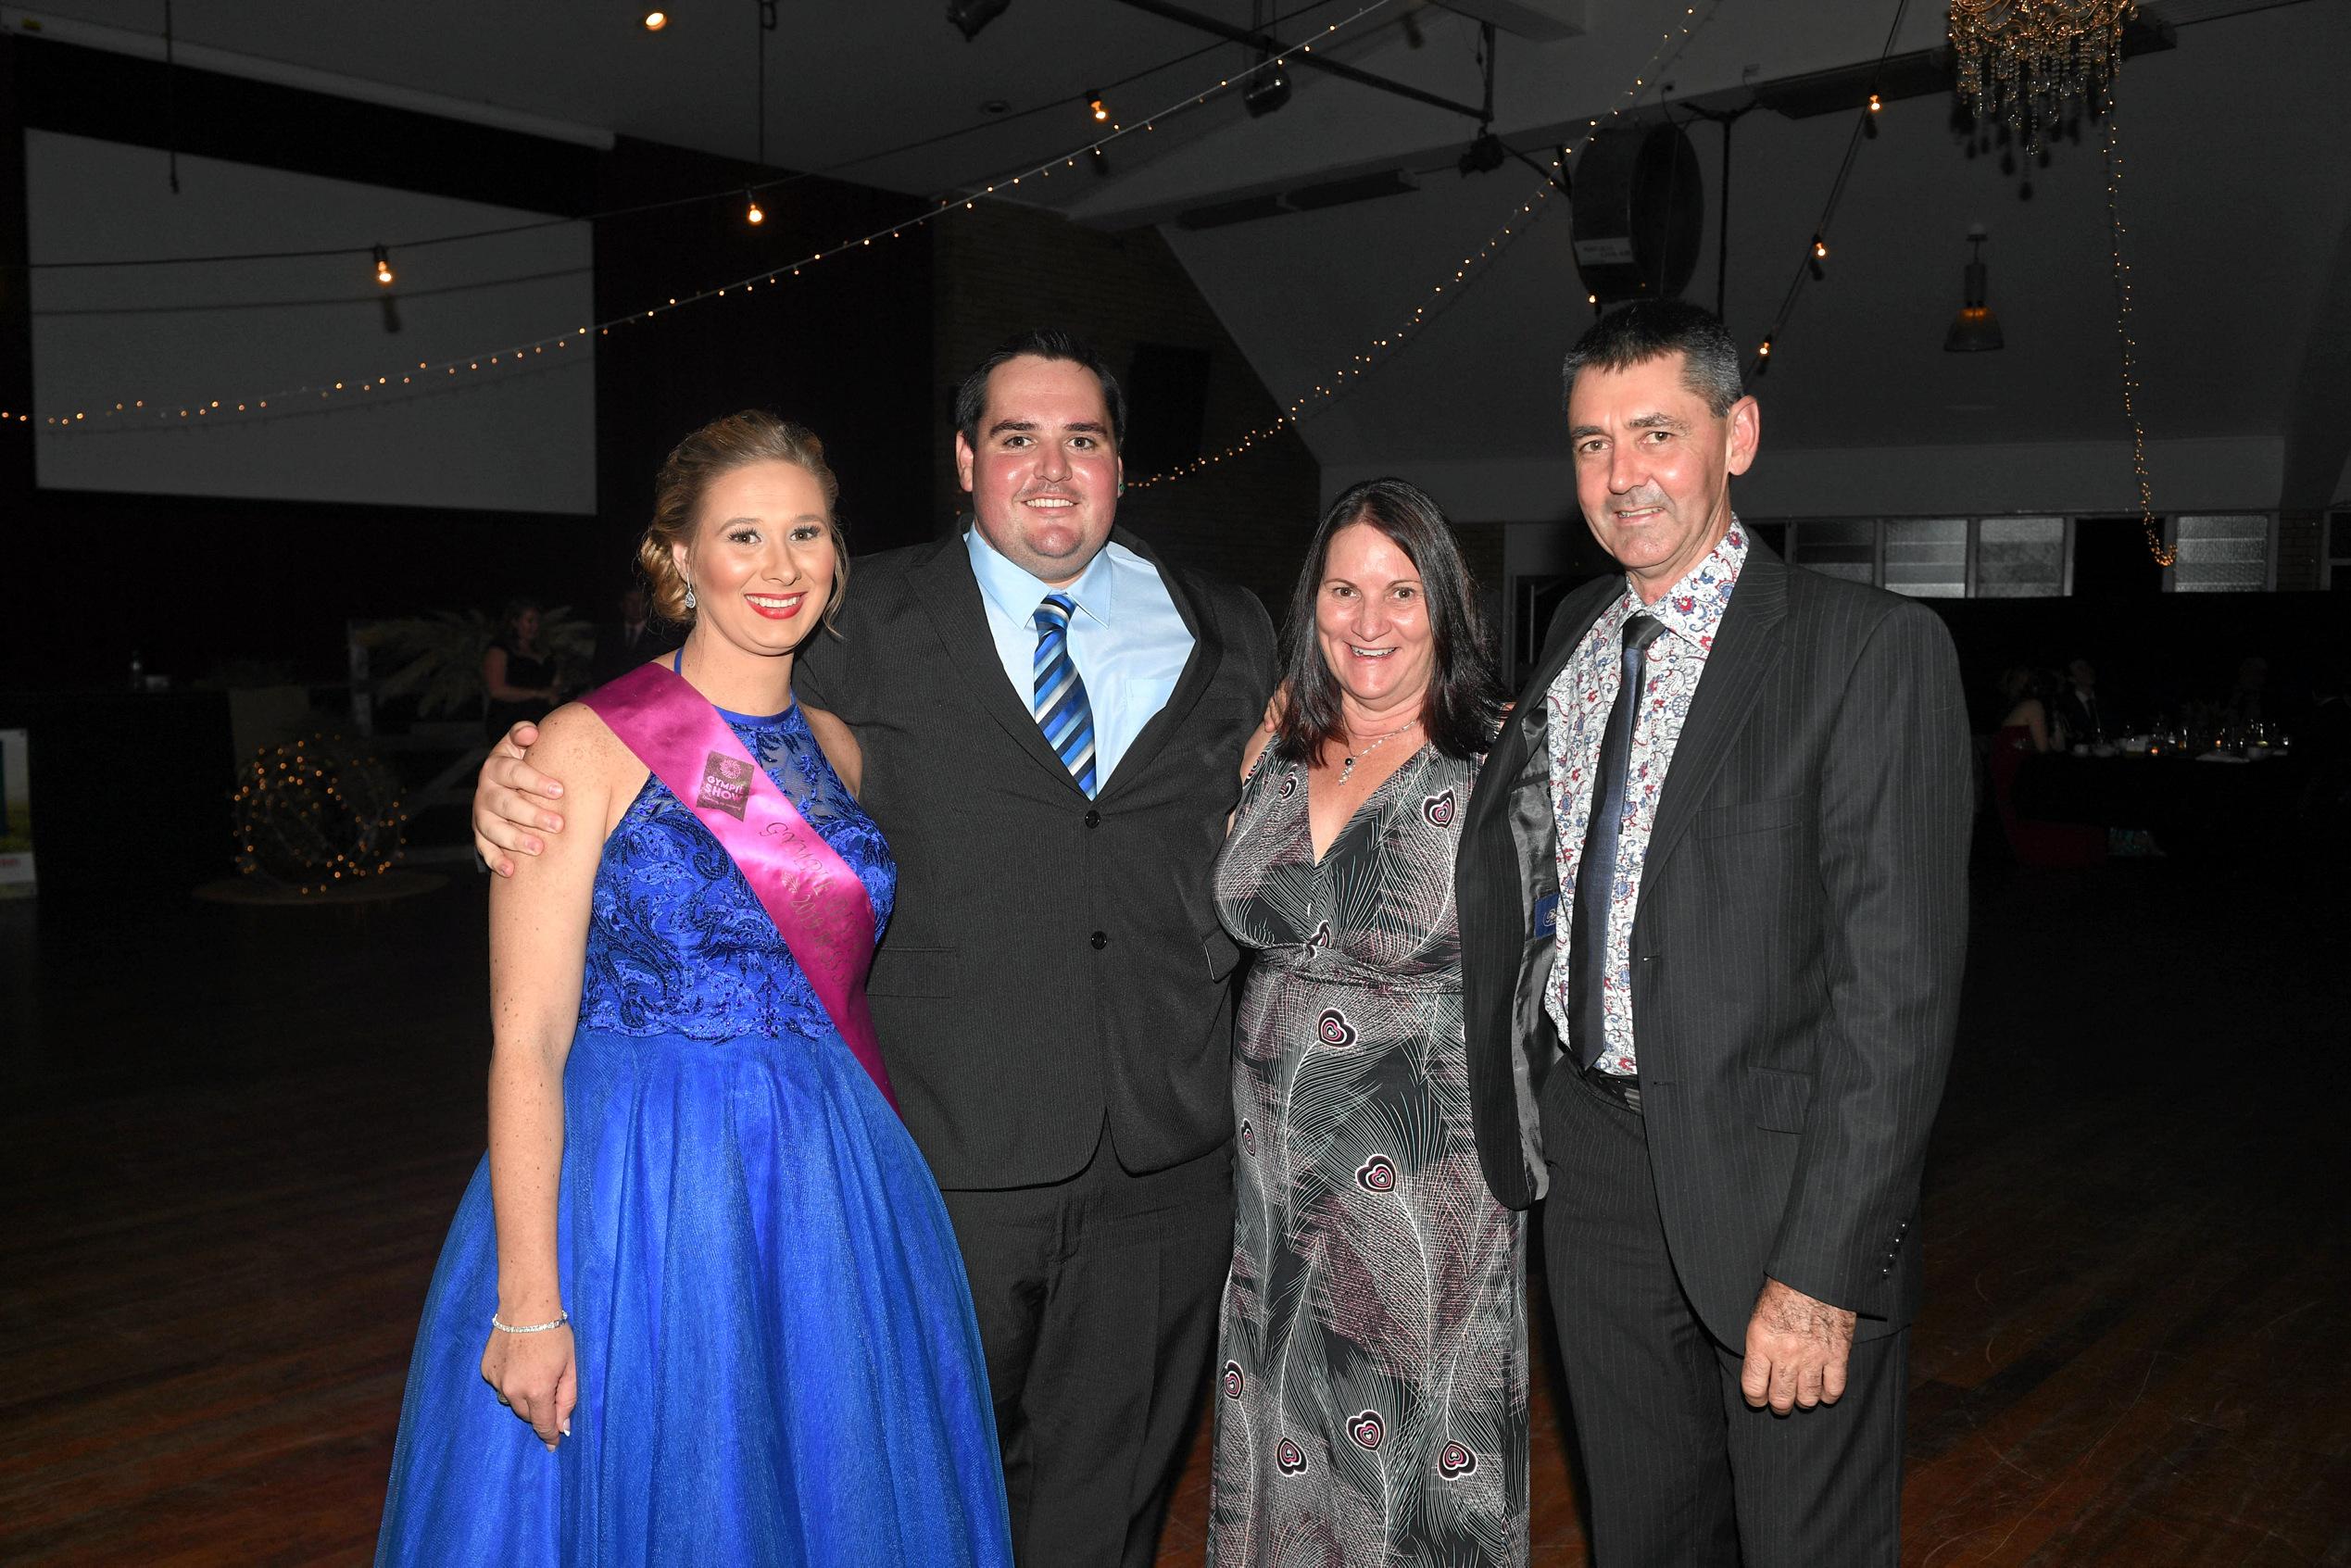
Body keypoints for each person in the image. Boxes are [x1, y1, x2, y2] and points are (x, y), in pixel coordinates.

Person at [470, 331, 1279, 1567]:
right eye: (1016, 438)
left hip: (1163, 1163)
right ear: (964, 460)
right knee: (900, 1497)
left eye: (1086, 440)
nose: (1052, 469)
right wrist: (513, 769)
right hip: (937, 1166)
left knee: (1105, 1504)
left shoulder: (1228, 627)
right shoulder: (857, 619)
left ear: (1124, 463)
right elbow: (688, 723)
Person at [377, 413, 1012, 1566]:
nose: (780, 567)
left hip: (825, 1177)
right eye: (745, 535)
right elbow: (525, 1038)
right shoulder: (582, 748)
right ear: (680, 559)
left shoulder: (838, 747)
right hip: (642, 1183)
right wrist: (529, 1299)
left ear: (837, 553)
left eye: (806, 533)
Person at [1455, 300, 1973, 1566]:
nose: (1619, 475)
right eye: (1589, 443)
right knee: (1643, 1537)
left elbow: (1893, 1000)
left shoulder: (1867, 652)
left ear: (1735, 435)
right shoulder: (1576, 638)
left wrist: (1823, 1267)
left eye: (1653, 433)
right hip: (1594, 1178)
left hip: (1778, 1196)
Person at [1212, 479, 1526, 1565]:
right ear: (1313, 607)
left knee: (1415, 1462)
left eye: (1400, 591)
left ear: (1444, 603)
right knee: (1288, 1428)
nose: (1370, 620)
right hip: (1274, 1169)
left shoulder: (1500, 756)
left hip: (1425, 1191)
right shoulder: (1275, 743)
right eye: (1344, 590)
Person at [1990, 667, 2106, 867]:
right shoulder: (2033, 705)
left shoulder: (2023, 706)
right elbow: (2044, 748)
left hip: (2016, 768)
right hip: (2018, 771)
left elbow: (2051, 745)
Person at [481, 599, 562, 742]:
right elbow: (497, 690)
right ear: (514, 622)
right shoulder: (499, 650)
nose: (535, 626)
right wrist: (537, 693)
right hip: (512, 722)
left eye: (537, 621)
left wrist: (555, 691)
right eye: (530, 621)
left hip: (545, 720)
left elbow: (556, 681)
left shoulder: (543, 650)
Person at [587, 583, 673, 685]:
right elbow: (599, 668)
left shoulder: (661, 634)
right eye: (630, 601)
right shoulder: (609, 634)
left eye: (640, 601)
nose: (636, 606)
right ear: (622, 604)